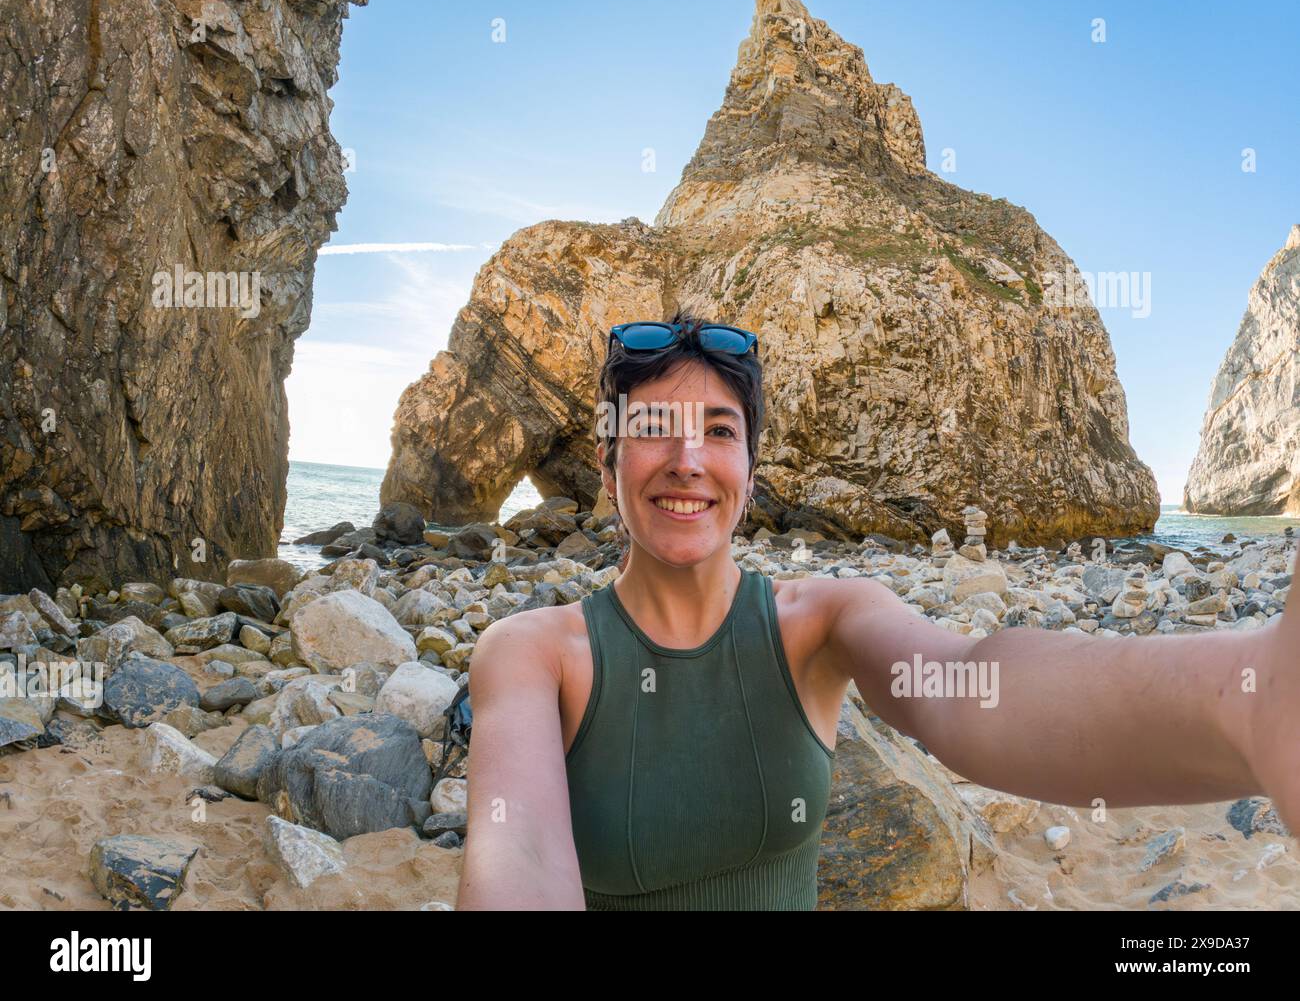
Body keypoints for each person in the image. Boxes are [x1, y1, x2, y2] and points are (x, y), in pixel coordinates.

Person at [455, 310, 1300, 910]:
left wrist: (1249, 699)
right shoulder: (533, 654)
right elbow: (517, 850)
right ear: (608, 469)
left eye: (718, 430)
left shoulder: (819, 623)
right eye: (655, 428)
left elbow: (971, 687)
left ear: (749, 473)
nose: (686, 459)